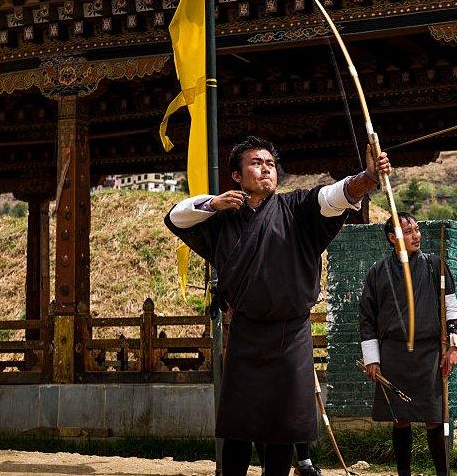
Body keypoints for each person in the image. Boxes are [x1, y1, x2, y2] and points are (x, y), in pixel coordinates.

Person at [164, 136, 389, 476]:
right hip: (246, 332)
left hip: (292, 334)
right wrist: (214, 203)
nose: (266, 169)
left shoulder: (296, 207)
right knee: (239, 426)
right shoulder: (222, 219)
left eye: (270, 164)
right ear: (237, 176)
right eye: (256, 163)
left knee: (284, 429)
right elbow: (176, 217)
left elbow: (333, 196)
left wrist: (367, 178)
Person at [358, 212, 457, 476]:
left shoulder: (434, 264)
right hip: (393, 353)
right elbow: (367, 317)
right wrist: (372, 358)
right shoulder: (377, 272)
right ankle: (403, 473)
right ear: (393, 238)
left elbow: (451, 306)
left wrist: (452, 346)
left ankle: (442, 473)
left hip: (429, 354)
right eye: (409, 231)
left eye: (417, 229)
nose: (417, 235)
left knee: (434, 418)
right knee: (400, 419)